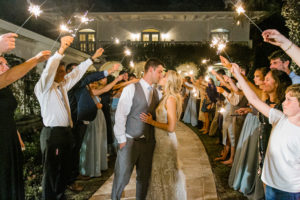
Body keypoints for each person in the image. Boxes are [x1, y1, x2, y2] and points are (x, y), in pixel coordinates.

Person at [34, 36, 105, 200]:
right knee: (53, 173)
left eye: (64, 71)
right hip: (53, 135)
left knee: (64, 170)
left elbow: (77, 73)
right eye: (60, 71)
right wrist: (61, 51)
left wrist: (92, 59)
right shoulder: (44, 87)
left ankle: (60, 195)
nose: (64, 74)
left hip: (66, 133)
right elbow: (48, 71)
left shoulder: (63, 85)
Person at [231, 63, 300, 200]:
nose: (284, 103)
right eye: (285, 99)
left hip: (289, 190)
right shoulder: (279, 118)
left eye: (289, 100)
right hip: (269, 182)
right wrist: (238, 75)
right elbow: (253, 99)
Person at [0, 40, 50, 199]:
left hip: (8, 138)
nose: (6, 67)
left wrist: (16, 133)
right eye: (1, 63)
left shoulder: (4, 88)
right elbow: (9, 76)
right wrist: (35, 59)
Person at [111, 58, 164, 200]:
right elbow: (120, 115)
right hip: (130, 141)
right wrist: (122, 140)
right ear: (151, 70)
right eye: (159, 71)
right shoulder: (131, 88)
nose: (161, 75)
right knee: (122, 177)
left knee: (144, 178)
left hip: (148, 142)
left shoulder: (156, 92)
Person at [65, 57, 119, 190]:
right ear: (68, 73)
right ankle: (70, 180)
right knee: (72, 151)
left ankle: (75, 174)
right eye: (75, 71)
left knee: (76, 149)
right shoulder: (71, 84)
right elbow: (90, 80)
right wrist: (108, 71)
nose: (78, 73)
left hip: (82, 121)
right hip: (73, 121)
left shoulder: (80, 85)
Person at [140, 70, 187, 200]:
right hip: (160, 140)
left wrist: (151, 122)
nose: (162, 76)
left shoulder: (171, 99)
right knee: (159, 172)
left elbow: (171, 128)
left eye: (165, 75)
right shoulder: (165, 96)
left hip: (166, 142)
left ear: (169, 81)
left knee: (166, 173)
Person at [80, 75, 124, 177]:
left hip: (100, 117)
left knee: (99, 141)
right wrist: (116, 80)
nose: (94, 84)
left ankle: (98, 165)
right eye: (92, 82)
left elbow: (105, 90)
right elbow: (105, 90)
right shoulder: (89, 92)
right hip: (94, 118)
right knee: (93, 141)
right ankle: (91, 168)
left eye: (95, 82)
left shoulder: (94, 91)